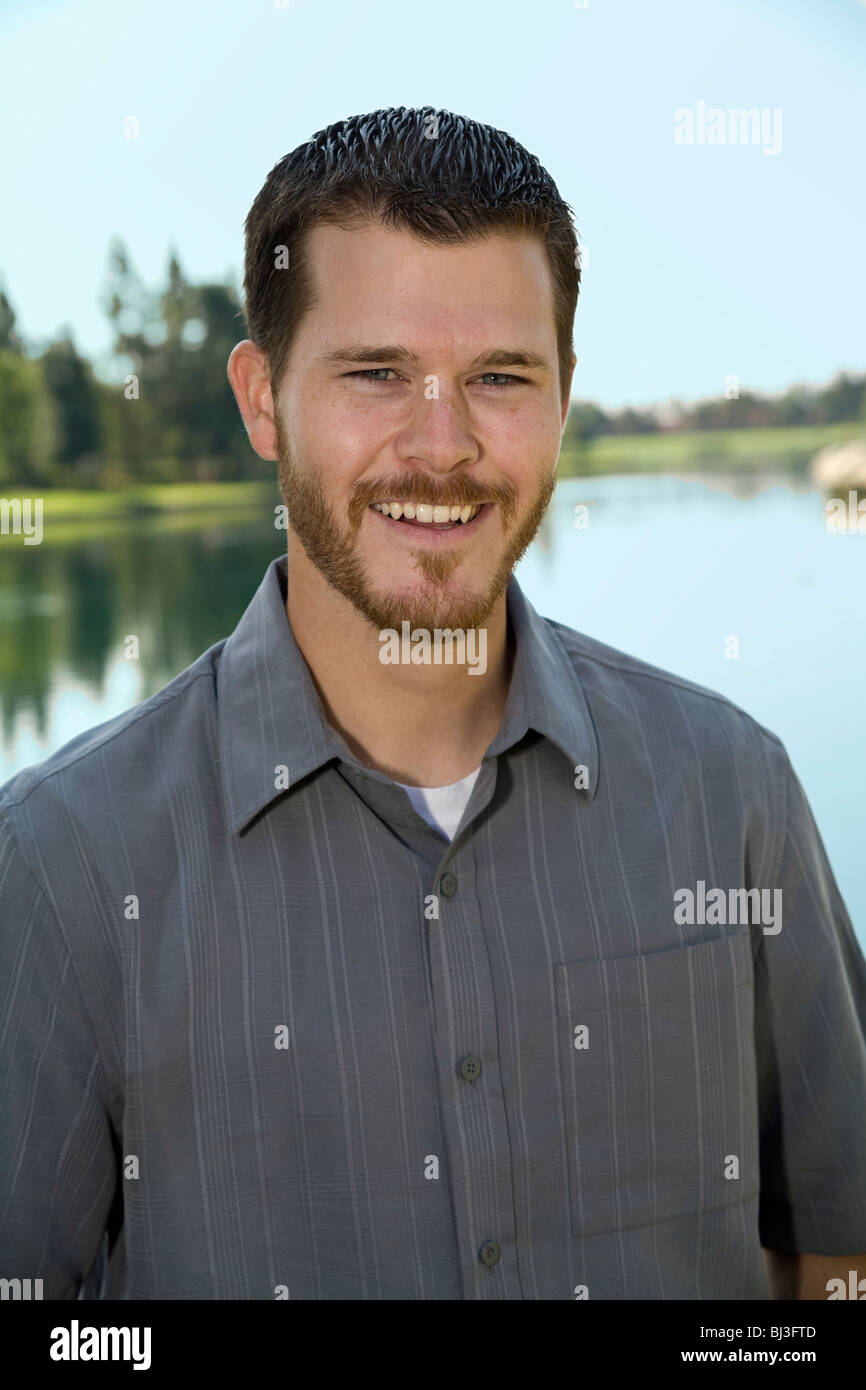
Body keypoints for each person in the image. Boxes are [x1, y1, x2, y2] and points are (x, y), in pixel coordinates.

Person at [1, 106, 864, 1301]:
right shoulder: (58, 862)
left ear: (562, 397)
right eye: (376, 373)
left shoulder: (730, 791)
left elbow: (836, 1254)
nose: (442, 442)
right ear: (262, 400)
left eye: (498, 376)